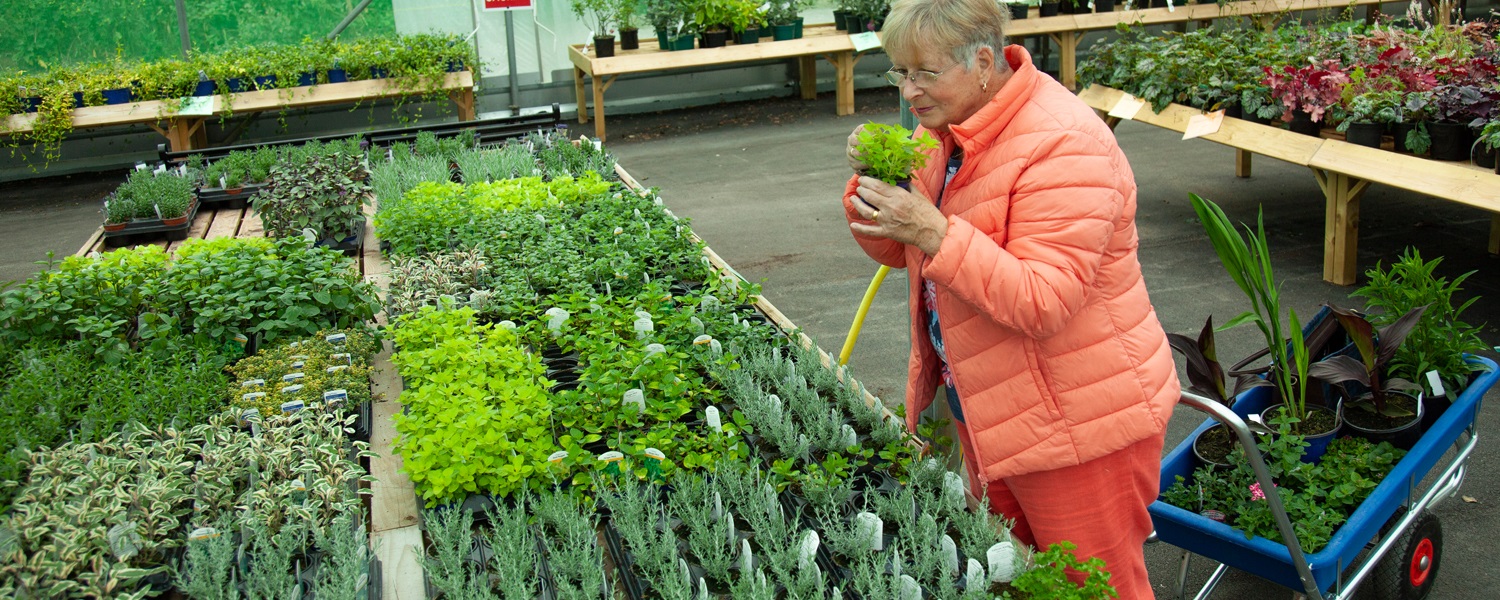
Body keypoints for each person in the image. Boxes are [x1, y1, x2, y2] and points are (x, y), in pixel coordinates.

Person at [840, 0, 1179, 596]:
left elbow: (1044, 300)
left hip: (1078, 422)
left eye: (924, 72)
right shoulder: (949, 125)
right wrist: (875, 193)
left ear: (982, 60)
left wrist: (929, 228)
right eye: (899, 72)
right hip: (991, 403)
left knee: (1091, 587)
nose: (909, 90)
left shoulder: (1064, 143)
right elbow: (903, 255)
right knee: (1018, 577)